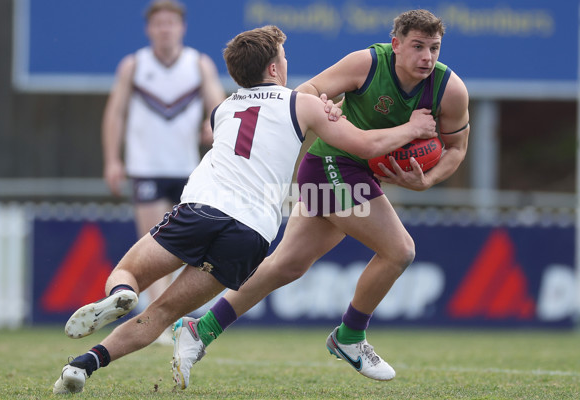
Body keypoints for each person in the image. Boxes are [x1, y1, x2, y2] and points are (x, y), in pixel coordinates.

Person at [53, 25, 437, 394]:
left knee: (128, 273)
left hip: (201, 209)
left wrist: (325, 109)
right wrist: (412, 127)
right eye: (283, 58)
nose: (286, 64)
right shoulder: (301, 104)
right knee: (165, 313)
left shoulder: (220, 110)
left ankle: (121, 296)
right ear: (274, 68)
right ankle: (84, 364)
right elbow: (365, 145)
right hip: (251, 233)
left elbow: (263, 127)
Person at [173, 9, 470, 387]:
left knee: (286, 266)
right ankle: (349, 335)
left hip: (355, 173)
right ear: (396, 45)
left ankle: (201, 330)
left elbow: (457, 148)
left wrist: (428, 180)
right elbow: (307, 93)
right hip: (332, 164)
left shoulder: (450, 89)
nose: (427, 57)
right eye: (417, 46)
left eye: (434, 48)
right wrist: (327, 108)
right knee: (400, 251)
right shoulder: (366, 63)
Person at [101, 0, 226, 344]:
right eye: (159, 24)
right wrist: (113, 160)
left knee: (183, 249)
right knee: (152, 245)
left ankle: (165, 315)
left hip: (187, 170)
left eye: (171, 23)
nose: (165, 29)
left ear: (181, 28)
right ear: (149, 29)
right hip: (146, 168)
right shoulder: (134, 65)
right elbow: (115, 114)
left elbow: (217, 103)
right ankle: (159, 320)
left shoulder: (198, 63)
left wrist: (211, 122)